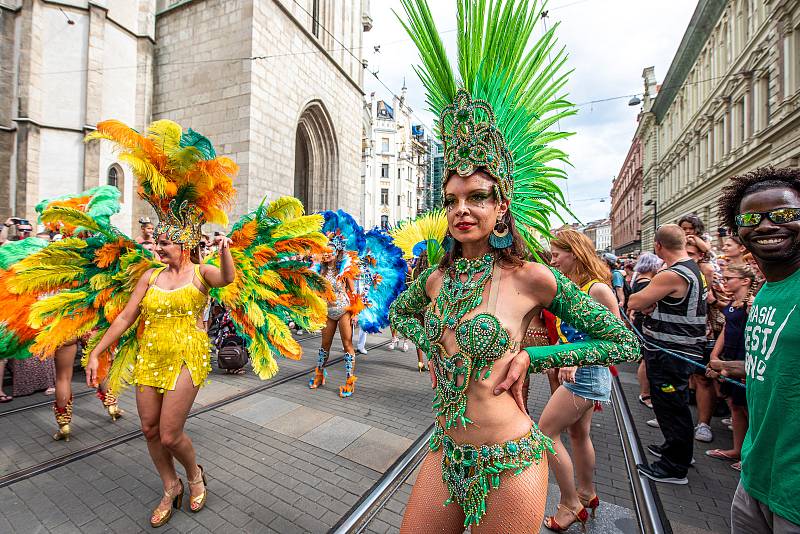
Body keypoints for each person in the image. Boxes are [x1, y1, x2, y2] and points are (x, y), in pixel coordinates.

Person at [389, 1, 640, 528]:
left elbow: (623, 342)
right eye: (453, 198)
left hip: (512, 457)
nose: (463, 209)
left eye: (478, 197)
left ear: (501, 206)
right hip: (444, 453)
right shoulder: (435, 278)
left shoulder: (531, 277)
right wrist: (431, 343)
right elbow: (399, 315)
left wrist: (536, 357)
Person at [713, 166, 800, 532]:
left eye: (784, 215)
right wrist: (732, 366)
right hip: (756, 475)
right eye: (752, 218)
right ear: (738, 232)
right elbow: (776, 366)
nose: (766, 225)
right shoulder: (766, 291)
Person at [540, 229, 618, 531]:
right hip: (578, 373)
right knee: (577, 435)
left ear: (575, 253)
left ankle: (570, 503)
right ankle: (587, 493)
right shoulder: (572, 287)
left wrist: (576, 358)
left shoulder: (596, 289)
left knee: (544, 434)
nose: (553, 258)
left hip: (586, 375)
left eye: (558, 252)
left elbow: (618, 339)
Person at [628, 224, 707, 484]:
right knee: (674, 404)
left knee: (672, 406)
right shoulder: (693, 268)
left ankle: (674, 466)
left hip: (670, 351)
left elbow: (635, 302)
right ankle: (676, 449)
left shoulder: (673, 274)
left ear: (658, 246)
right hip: (680, 349)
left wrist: (648, 302)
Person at [704, 264, 756, 472]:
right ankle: (737, 448)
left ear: (745, 281)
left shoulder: (752, 304)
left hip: (744, 357)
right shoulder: (732, 303)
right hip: (730, 354)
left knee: (748, 408)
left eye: (729, 278)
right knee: (735, 405)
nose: (724, 282)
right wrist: (714, 355)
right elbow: (726, 329)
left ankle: (751, 457)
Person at [309, 225, 361, 397]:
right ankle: (319, 374)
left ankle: (349, 381)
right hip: (328, 311)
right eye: (324, 251)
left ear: (336, 251)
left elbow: (353, 292)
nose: (326, 254)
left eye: (330, 251)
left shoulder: (344, 268)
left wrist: (355, 312)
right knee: (325, 345)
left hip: (344, 310)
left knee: (347, 344)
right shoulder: (320, 270)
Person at [628, 252, 663, 409]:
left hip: (639, 321)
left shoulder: (638, 279)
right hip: (644, 322)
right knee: (645, 358)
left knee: (644, 357)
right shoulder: (646, 282)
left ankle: (645, 392)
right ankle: (645, 393)